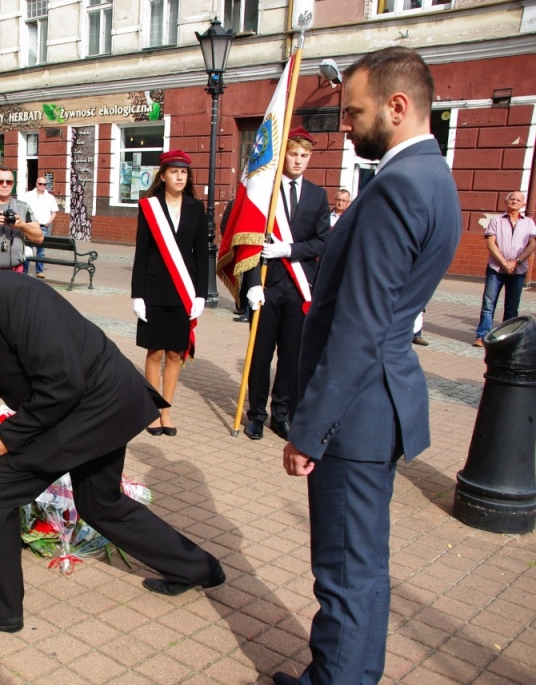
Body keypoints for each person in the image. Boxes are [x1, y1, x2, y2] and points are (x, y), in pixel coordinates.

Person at [0, 237, 225, 633]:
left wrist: (7, 437)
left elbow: (62, 384)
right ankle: (198, 568)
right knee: (99, 502)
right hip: (86, 405)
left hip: (96, 405)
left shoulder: (9, 296)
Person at [273, 47, 461, 685]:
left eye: (353, 112)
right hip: (380, 400)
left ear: (397, 106)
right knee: (362, 567)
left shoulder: (397, 188)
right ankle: (343, 671)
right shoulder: (435, 177)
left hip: (355, 411)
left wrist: (308, 428)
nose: (345, 125)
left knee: (345, 571)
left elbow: (358, 326)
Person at [244, 128, 330, 441]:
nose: (298, 160)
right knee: (260, 354)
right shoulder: (264, 192)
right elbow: (248, 239)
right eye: (293, 154)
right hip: (266, 284)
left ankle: (281, 414)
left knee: (291, 356)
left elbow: (323, 241)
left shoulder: (317, 195)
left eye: (304, 156)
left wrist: (289, 250)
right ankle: (256, 414)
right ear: (284, 155)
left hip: (299, 286)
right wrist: (252, 282)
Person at [130, 150, 208, 436]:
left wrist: (200, 295)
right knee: (155, 351)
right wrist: (137, 294)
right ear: (163, 176)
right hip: (153, 289)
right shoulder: (149, 206)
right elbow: (142, 251)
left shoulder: (196, 208)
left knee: (175, 352)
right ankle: (151, 408)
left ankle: (166, 411)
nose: (179, 176)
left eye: (184, 172)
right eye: (174, 171)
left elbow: (201, 255)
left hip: (183, 289)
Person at [472, 191, 536, 347]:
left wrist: (517, 262)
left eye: (518, 200)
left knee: (512, 306)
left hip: (518, 270)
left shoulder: (529, 222)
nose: (514, 201)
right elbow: (490, 243)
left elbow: (532, 244)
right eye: (512, 199)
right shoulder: (496, 221)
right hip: (496, 268)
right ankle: (482, 335)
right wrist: (504, 263)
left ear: (523, 205)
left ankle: (507, 338)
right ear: (506, 202)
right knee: (489, 304)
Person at [20, 175, 59, 277]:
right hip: (30, 225)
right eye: (40, 184)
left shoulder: (50, 198)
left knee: (41, 251)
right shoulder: (27, 195)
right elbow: (21, 208)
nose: (42, 186)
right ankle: (24, 271)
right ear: (36, 184)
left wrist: (49, 222)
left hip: (43, 226)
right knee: (28, 249)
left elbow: (54, 212)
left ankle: (39, 271)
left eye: (44, 184)